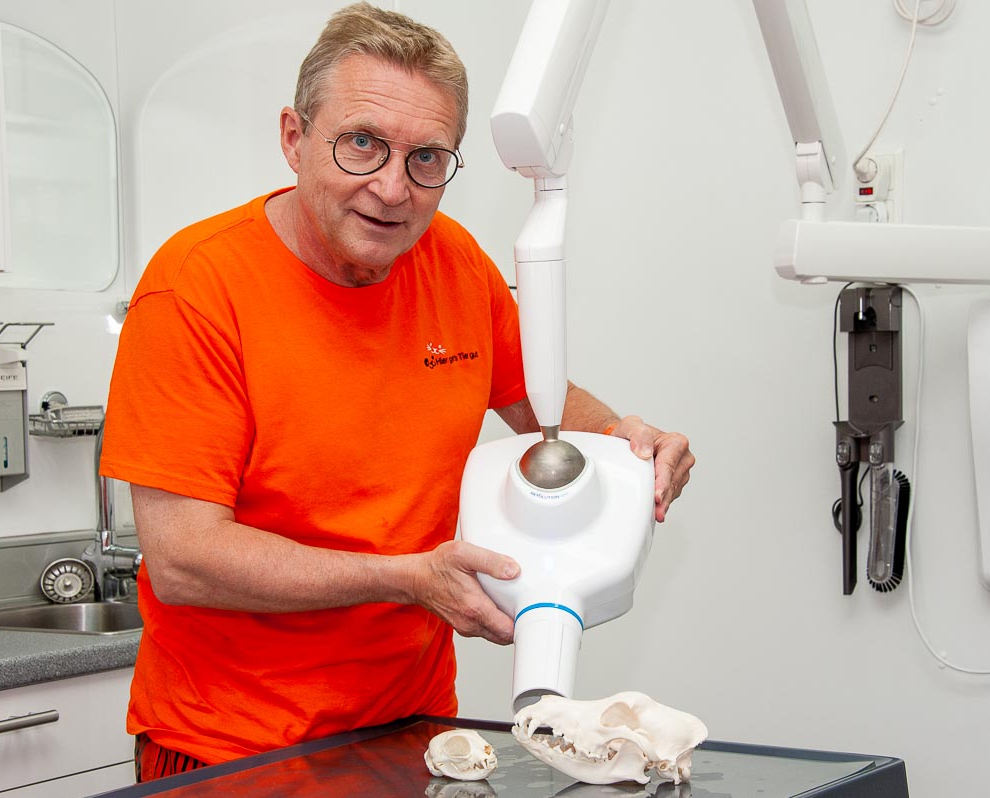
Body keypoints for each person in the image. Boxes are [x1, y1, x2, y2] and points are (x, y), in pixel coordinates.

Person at [100, 2, 694, 782]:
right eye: (362, 143)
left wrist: (625, 440)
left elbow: (544, 406)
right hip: (231, 746)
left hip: (410, 732)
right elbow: (185, 559)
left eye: (426, 158)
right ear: (294, 138)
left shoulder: (456, 265)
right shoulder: (196, 290)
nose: (392, 188)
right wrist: (406, 577)